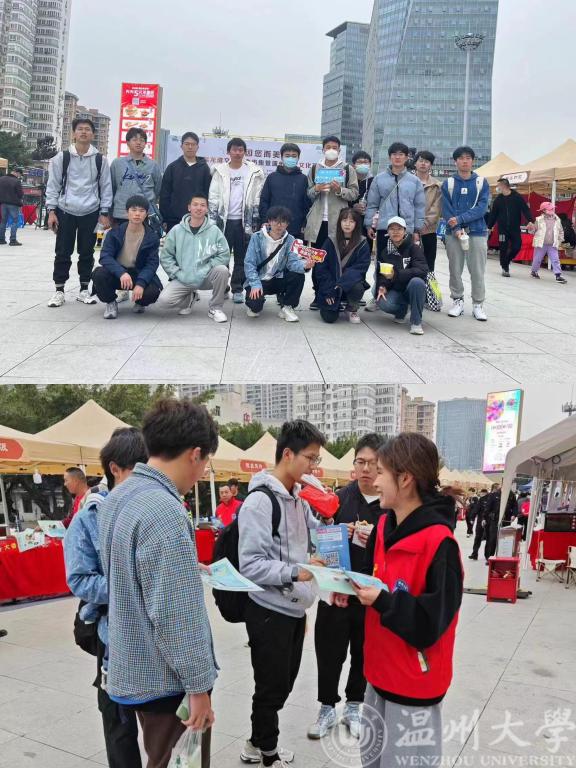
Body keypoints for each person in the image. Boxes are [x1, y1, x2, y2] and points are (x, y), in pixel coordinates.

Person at [99, 399, 219, 768]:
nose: (201, 472)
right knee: (177, 761)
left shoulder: (117, 497)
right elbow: (174, 615)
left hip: (132, 664)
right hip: (166, 678)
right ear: (195, 454)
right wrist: (199, 687)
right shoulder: (164, 510)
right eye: (205, 462)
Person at [333, 433, 463, 767]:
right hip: (377, 677)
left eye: (381, 472)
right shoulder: (383, 527)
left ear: (405, 479)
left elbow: (429, 625)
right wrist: (346, 589)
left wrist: (383, 601)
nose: (374, 481)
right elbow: (370, 578)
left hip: (413, 688)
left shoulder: (440, 544)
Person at [238, 419, 328, 768]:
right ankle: (268, 754)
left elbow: (314, 535)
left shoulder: (298, 500)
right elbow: (250, 564)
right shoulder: (259, 503)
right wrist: (294, 571)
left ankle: (255, 742)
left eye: (316, 459)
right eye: (310, 458)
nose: (313, 466)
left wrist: (340, 531)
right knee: (271, 687)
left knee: (283, 684)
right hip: (268, 611)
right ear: (288, 454)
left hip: (294, 610)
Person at [64, 427, 148, 768]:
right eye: (138, 470)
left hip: (157, 634)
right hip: (113, 637)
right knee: (119, 725)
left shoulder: (156, 509)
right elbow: (79, 579)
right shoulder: (89, 518)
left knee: (165, 725)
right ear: (115, 469)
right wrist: (129, 586)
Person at [308, 433, 385, 741]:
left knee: (363, 655)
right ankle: (326, 707)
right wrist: (337, 530)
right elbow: (320, 543)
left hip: (369, 595)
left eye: (373, 463)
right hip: (337, 593)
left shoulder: (389, 503)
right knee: (329, 653)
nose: (365, 469)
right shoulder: (338, 499)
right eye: (360, 462)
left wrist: (373, 537)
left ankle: (354, 706)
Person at [45, 118, 113, 307]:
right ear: (74, 133)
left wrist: (104, 212)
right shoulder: (62, 158)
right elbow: (53, 185)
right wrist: (51, 211)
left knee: (87, 252)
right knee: (62, 252)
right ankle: (59, 290)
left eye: (88, 129)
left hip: (91, 211)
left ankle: (84, 289)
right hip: (65, 211)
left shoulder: (100, 160)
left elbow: (106, 187)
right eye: (80, 129)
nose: (84, 132)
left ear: (93, 134)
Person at [209, 137, 265, 304]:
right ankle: (222, 287)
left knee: (242, 257)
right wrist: (212, 221)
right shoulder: (219, 171)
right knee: (222, 257)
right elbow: (213, 197)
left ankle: (237, 288)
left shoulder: (254, 172)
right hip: (224, 221)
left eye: (241, 150)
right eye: (234, 149)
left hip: (244, 222)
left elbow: (258, 198)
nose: (237, 153)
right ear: (229, 152)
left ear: (245, 152)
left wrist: (255, 222)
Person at [305, 136, 359, 310]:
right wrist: (316, 189)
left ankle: (338, 293)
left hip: (339, 222)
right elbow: (308, 193)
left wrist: (340, 189)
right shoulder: (315, 168)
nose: (331, 150)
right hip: (318, 222)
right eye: (328, 147)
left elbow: (354, 193)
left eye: (334, 147)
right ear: (323, 149)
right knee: (317, 258)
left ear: (339, 150)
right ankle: (318, 294)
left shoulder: (347, 169)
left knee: (337, 259)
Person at [158, 194, 230, 323]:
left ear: (207, 209)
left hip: (206, 276)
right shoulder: (177, 230)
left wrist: (208, 266)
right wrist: (177, 273)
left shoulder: (214, 231)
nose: (199, 208)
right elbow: (166, 256)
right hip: (184, 278)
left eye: (202, 205)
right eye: (195, 204)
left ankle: (215, 308)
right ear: (189, 207)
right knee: (164, 301)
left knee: (222, 270)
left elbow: (224, 254)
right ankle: (189, 298)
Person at [92, 194, 162, 319]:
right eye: (133, 210)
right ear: (127, 212)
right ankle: (111, 302)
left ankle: (140, 302)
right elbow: (105, 256)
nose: (137, 214)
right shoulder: (115, 233)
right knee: (99, 274)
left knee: (153, 291)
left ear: (146, 214)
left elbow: (152, 264)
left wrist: (141, 283)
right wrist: (121, 273)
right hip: (118, 274)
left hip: (138, 273)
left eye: (141, 211)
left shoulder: (151, 237)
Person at [441, 146, 490, 321]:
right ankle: (457, 300)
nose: (465, 161)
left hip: (477, 232)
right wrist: (455, 229)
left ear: (473, 161)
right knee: (455, 269)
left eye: (468, 158)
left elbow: (482, 208)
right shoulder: (448, 183)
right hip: (453, 234)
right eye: (461, 158)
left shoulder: (481, 182)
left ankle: (478, 304)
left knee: (477, 270)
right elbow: (446, 209)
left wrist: (460, 219)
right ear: (455, 161)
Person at [244, 206, 312, 323]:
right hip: (260, 279)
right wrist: (255, 284)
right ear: (269, 221)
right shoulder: (257, 237)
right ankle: (255, 302)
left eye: (283, 221)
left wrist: (305, 266)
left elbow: (292, 263)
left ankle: (287, 307)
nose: (279, 225)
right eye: (276, 221)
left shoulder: (290, 240)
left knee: (298, 275)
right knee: (255, 308)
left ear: (287, 224)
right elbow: (249, 263)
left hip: (278, 278)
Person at [314, 208, 371, 324]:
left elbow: (360, 269)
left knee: (358, 286)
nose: (347, 224)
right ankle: (335, 303)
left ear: (356, 224)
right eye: (344, 220)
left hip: (348, 285)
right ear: (339, 222)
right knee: (329, 318)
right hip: (330, 286)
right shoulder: (330, 240)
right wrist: (328, 289)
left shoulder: (362, 243)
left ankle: (351, 308)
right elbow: (321, 267)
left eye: (351, 221)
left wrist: (340, 284)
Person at [374, 216, 428, 335]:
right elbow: (382, 274)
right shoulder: (385, 251)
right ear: (388, 232)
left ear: (405, 231)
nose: (396, 232)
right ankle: (402, 310)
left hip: (412, 288)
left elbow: (422, 270)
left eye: (399, 229)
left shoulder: (414, 248)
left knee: (417, 282)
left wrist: (396, 274)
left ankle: (416, 322)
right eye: (392, 229)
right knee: (383, 302)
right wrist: (382, 286)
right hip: (396, 289)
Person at [159, 132, 212, 233]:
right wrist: (165, 217)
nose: (190, 147)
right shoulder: (172, 167)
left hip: (198, 219)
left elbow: (207, 193)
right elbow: (165, 194)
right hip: (174, 220)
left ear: (197, 147)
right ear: (181, 146)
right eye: (187, 144)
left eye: (193, 144)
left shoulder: (204, 169)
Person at [110, 128, 162, 226]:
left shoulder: (153, 165)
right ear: (128, 143)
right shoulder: (117, 164)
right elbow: (112, 188)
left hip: (145, 214)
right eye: (134, 140)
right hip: (121, 214)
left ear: (145, 143)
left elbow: (157, 189)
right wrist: (109, 213)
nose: (138, 143)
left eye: (142, 140)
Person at [259, 144, 310, 238]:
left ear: (298, 158)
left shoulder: (303, 179)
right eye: (287, 155)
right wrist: (265, 220)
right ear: (282, 157)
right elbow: (264, 201)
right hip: (273, 227)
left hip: (296, 228)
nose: (290, 158)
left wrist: (304, 224)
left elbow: (307, 204)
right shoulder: (272, 177)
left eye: (294, 156)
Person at [487, 178, 534, 277]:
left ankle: (507, 261)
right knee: (503, 247)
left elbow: (525, 209)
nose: (497, 188)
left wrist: (531, 221)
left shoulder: (517, 197)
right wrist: (489, 227)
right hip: (502, 229)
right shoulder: (498, 199)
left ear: (503, 186)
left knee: (517, 246)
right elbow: (493, 214)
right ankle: (505, 268)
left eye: (498, 186)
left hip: (515, 228)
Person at [414, 151, 442, 271]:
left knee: (429, 264)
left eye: (426, 161)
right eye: (420, 161)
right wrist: (414, 227)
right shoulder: (407, 182)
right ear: (415, 163)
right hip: (409, 230)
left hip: (429, 230)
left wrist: (424, 224)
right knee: (409, 262)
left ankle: (428, 283)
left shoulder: (437, 185)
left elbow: (437, 208)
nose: (423, 164)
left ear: (431, 165)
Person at [530, 202, 568, 283]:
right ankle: (534, 271)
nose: (552, 210)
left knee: (555, 259)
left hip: (552, 244)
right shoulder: (538, 219)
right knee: (537, 259)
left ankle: (558, 275)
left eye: (553, 208)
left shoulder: (557, 219)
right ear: (544, 210)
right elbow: (533, 231)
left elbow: (561, 231)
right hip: (541, 244)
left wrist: (560, 240)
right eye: (550, 209)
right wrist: (531, 228)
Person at [0, 166, 24, 246]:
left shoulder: (1, 179)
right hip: (13, 204)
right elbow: (20, 194)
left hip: (3, 203)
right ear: (17, 173)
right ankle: (13, 240)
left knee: (3, 221)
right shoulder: (16, 181)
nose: (19, 176)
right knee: (15, 221)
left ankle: (1, 239)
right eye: (20, 175)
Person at [468, 488, 490, 561]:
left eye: (482, 493)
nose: (481, 494)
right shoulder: (481, 499)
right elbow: (476, 509)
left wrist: (472, 518)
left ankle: (487, 555)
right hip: (481, 521)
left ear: (485, 493)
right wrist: (472, 518)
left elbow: (476, 509)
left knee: (488, 539)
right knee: (478, 537)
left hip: (488, 522)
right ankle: (475, 554)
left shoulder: (490, 499)